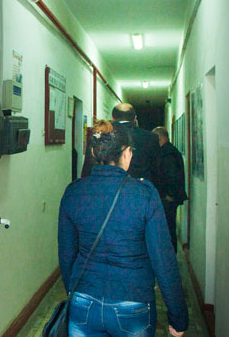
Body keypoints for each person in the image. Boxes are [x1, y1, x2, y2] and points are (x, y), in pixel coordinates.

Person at [59, 120, 188, 337]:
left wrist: (75, 292)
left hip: (84, 299)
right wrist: (178, 316)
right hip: (133, 302)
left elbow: (66, 254)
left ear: (93, 152)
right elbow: (163, 259)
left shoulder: (73, 192)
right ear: (127, 154)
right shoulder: (145, 195)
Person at [81, 104, 161, 188]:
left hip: (104, 187)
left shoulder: (101, 135)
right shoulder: (151, 138)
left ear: (112, 117)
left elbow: (88, 168)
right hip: (141, 189)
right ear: (135, 118)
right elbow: (157, 172)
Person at [152, 127, 188, 253]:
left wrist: (169, 195)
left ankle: (170, 256)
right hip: (170, 199)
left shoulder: (167, 154)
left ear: (160, 138)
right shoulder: (171, 151)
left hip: (169, 200)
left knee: (168, 229)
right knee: (169, 228)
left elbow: (172, 176)